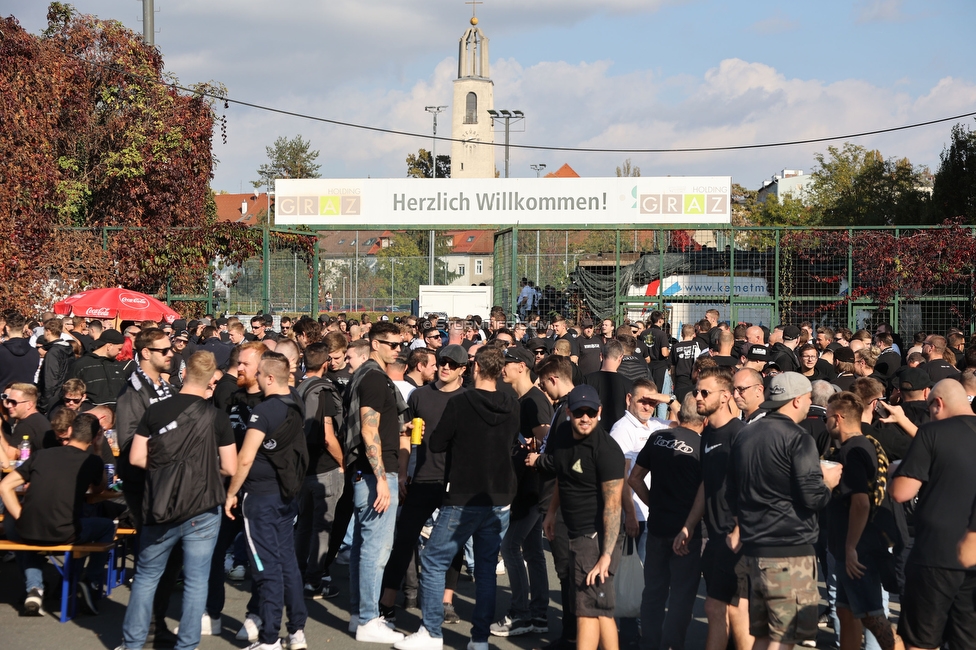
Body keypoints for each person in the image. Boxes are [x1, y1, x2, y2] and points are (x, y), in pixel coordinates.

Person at [395, 346, 520, 650]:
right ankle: (478, 640)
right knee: (486, 568)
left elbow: (436, 443)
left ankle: (432, 632)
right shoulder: (512, 403)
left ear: (475, 368)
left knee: (434, 559)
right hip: (500, 495)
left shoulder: (461, 403)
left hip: (464, 494)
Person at [119, 352, 237, 650]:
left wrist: (166, 468)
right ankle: (187, 645)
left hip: (161, 502)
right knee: (197, 581)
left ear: (183, 375)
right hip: (203, 505)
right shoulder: (217, 417)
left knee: (146, 576)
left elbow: (135, 457)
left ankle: (132, 644)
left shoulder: (155, 412)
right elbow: (230, 467)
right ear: (212, 381)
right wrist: (202, 469)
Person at [727, 372, 842, 650]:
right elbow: (812, 496)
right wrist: (828, 482)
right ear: (796, 401)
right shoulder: (797, 438)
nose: (809, 405)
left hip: (756, 550)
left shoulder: (746, 435)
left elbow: (732, 493)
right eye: (808, 400)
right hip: (789, 552)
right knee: (784, 639)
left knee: (765, 635)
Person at [527, 384, 625, 650]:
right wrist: (551, 512)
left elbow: (613, 506)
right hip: (573, 532)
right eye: (579, 411)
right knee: (598, 609)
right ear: (568, 411)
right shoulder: (562, 435)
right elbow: (564, 475)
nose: (585, 417)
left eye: (591, 412)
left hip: (594, 538)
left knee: (587, 611)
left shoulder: (607, 451)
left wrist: (605, 555)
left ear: (600, 412)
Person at [225, 351, 309, 650]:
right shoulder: (295, 400)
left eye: (259, 373)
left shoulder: (265, 410)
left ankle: (269, 637)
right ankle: (297, 630)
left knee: (265, 568)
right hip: (285, 495)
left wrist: (232, 492)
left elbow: (245, 458)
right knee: (286, 562)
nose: (256, 377)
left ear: (270, 377)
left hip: (261, 499)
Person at [379, 344, 469, 624]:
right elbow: (407, 437)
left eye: (452, 364)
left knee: (454, 545)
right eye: (442, 361)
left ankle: (446, 602)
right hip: (422, 478)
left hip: (455, 483)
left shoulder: (468, 399)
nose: (445, 367)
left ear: (462, 370)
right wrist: (404, 473)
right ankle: (388, 603)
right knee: (404, 539)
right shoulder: (419, 396)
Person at [890, 379, 976, 650]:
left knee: (920, 640)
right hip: (972, 556)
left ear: (937, 404)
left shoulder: (932, 432)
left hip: (934, 553)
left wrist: (896, 473)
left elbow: (902, 492)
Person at [0, 411, 114, 616]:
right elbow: (99, 490)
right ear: (96, 436)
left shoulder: (40, 455)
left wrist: (20, 515)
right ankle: (88, 581)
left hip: (28, 529)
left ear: (70, 431)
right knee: (106, 526)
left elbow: (5, 486)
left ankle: (34, 588)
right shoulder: (92, 461)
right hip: (65, 533)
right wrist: (97, 450)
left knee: (28, 534)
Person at [823, 392, 903, 650]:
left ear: (837, 418)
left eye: (827, 418)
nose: (826, 424)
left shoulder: (852, 451)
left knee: (873, 617)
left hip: (859, 548)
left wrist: (850, 548)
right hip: (857, 544)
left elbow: (861, 502)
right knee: (847, 613)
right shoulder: (868, 443)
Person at [344, 322, 407, 643]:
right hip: (374, 474)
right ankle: (368, 618)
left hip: (368, 473)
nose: (398, 349)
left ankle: (360, 615)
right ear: (375, 344)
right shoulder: (373, 379)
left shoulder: (368, 376)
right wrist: (382, 478)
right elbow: (369, 431)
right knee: (375, 548)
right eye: (392, 344)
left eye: (401, 344)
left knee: (364, 547)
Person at [628, 393, 705, 650]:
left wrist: (654, 504)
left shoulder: (657, 437)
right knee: (681, 595)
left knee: (653, 591)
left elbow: (635, 478)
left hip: (658, 525)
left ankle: (649, 643)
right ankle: (671, 645)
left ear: (680, 415)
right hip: (687, 530)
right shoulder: (702, 447)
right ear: (703, 419)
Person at [492, 345, 552, 637]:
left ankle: (522, 613)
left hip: (533, 489)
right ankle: (538, 614)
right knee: (531, 550)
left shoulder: (534, 401)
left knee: (510, 547)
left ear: (522, 367)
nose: (503, 367)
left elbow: (545, 443)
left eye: (508, 363)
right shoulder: (519, 399)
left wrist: (533, 447)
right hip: (524, 487)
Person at [691, 367, 751, 650]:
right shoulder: (707, 434)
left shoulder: (739, 435)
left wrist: (738, 532)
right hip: (715, 537)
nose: (698, 398)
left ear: (726, 396)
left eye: (705, 393)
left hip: (736, 539)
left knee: (736, 614)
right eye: (696, 392)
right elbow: (706, 483)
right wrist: (688, 525)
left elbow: (753, 488)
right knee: (717, 610)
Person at [295, 342, 344, 600]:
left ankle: (297, 572)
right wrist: (342, 461)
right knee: (322, 526)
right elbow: (327, 435)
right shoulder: (323, 390)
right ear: (326, 363)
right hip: (325, 467)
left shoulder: (298, 388)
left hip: (302, 467)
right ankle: (314, 580)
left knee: (303, 524)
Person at [69, 329, 131, 406]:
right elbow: (69, 390)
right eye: (119, 349)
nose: (120, 352)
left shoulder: (117, 365)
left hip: (115, 414)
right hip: (90, 413)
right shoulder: (81, 365)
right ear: (109, 346)